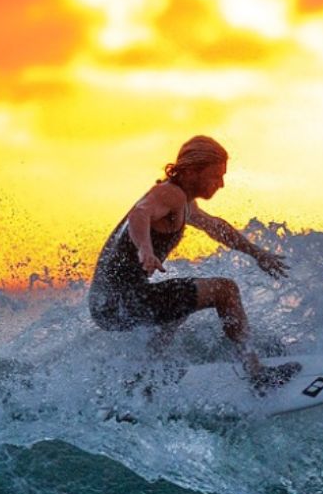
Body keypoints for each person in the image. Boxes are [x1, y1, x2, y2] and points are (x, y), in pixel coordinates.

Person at [87, 135, 299, 392]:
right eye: (215, 176)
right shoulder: (169, 194)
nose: (220, 184)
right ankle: (256, 373)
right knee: (225, 290)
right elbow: (139, 213)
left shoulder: (183, 201)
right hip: (120, 301)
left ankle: (145, 378)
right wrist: (145, 249)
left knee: (183, 301)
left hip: (108, 305)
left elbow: (216, 227)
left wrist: (257, 253)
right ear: (190, 171)